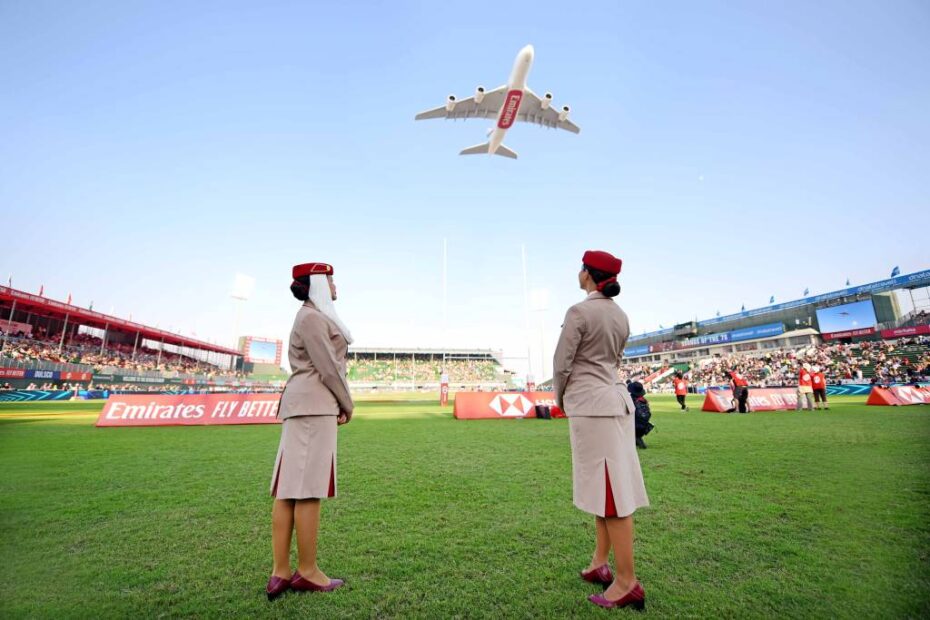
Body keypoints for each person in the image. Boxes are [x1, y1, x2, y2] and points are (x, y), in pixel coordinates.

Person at [553, 250, 649, 611]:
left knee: (611, 496)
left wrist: (561, 399)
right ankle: (599, 563)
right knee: (603, 488)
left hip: (592, 408)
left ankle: (627, 582)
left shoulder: (579, 312)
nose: (578, 272)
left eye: (581, 268)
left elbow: (562, 364)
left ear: (588, 275)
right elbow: (615, 360)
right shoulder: (620, 315)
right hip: (614, 402)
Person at [266, 262, 355, 601]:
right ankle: (308, 572)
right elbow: (329, 368)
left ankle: (281, 572)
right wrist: (347, 403)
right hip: (315, 405)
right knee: (308, 490)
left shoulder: (309, 316)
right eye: (331, 281)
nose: (336, 286)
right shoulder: (314, 318)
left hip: (301, 405)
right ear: (318, 284)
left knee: (288, 489)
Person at [628, 381, 654, 449]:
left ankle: (638, 440)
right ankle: (637, 440)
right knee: (637, 435)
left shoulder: (631, 400)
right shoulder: (644, 400)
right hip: (644, 426)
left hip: (634, 426)